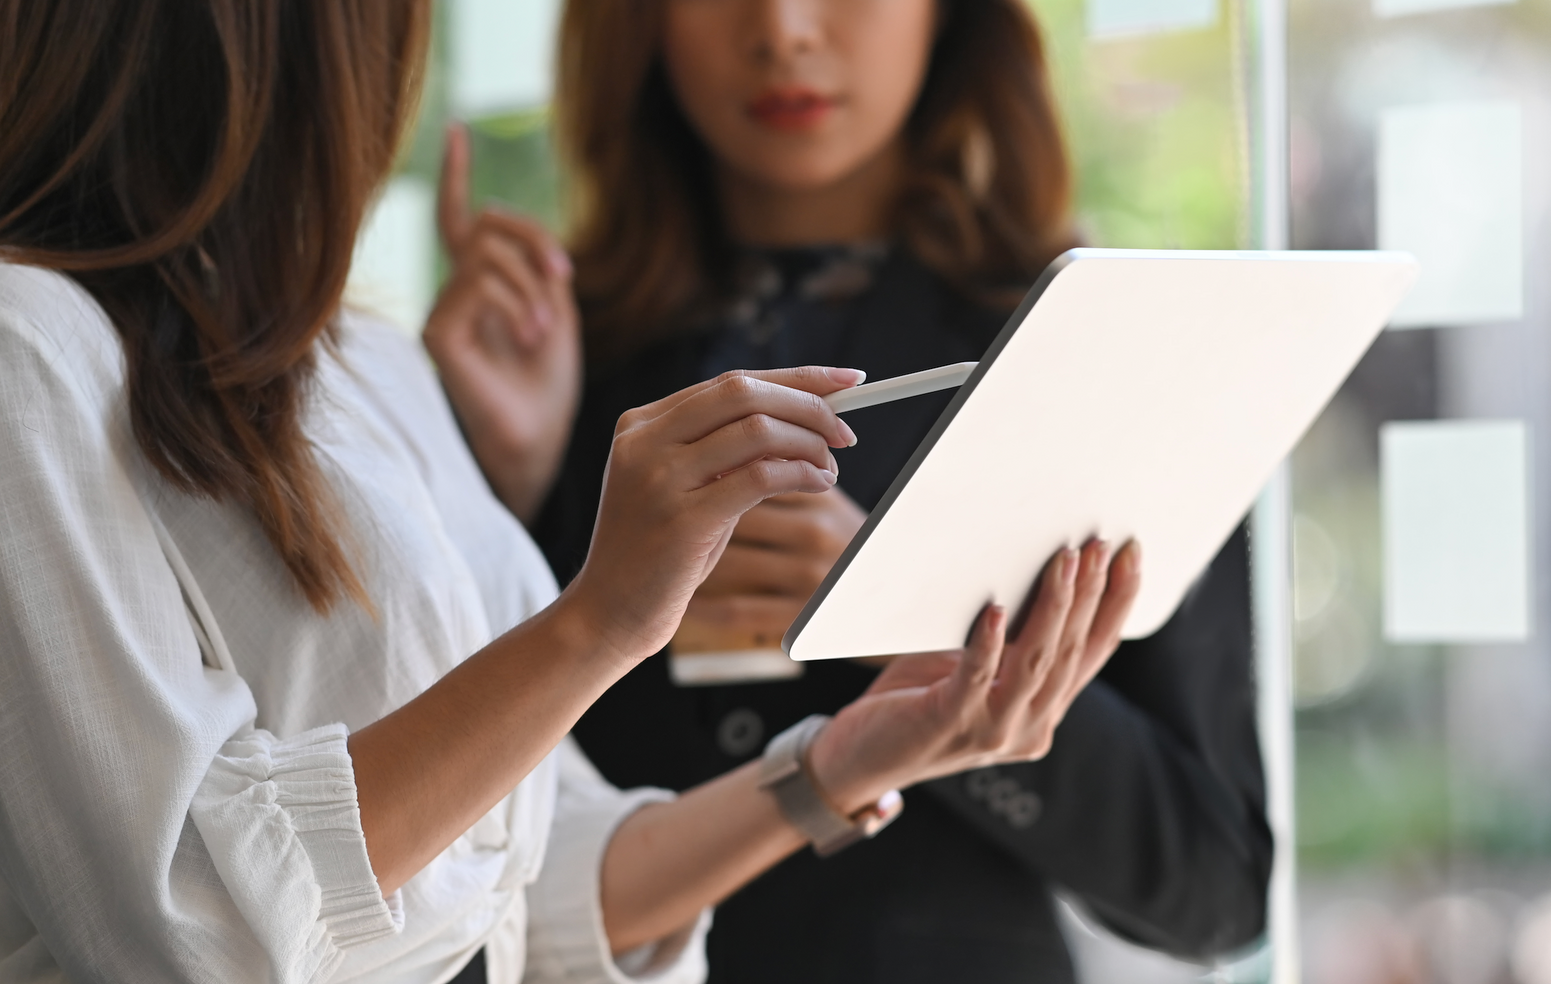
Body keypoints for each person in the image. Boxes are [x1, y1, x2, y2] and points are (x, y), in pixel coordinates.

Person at [0, 3, 1140, 982]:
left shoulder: (367, 359)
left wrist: (845, 763)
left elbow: (526, 892)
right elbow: (186, 924)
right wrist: (601, 619)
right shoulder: (29, 346)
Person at [423, 1, 1273, 980]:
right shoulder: (541, 368)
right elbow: (451, 854)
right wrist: (511, 494)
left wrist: (906, 618)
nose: (783, 28)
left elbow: (1216, 885)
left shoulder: (1096, 351)